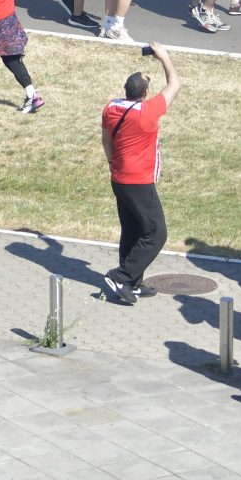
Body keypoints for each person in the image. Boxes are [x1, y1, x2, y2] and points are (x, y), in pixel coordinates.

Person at [99, 45, 180, 302]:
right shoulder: (148, 112)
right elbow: (175, 83)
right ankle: (121, 276)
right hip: (139, 182)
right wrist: (164, 57)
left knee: (133, 230)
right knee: (156, 233)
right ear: (145, 93)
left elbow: (106, 141)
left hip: (119, 178)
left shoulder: (111, 108)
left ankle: (133, 283)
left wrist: (113, 162)